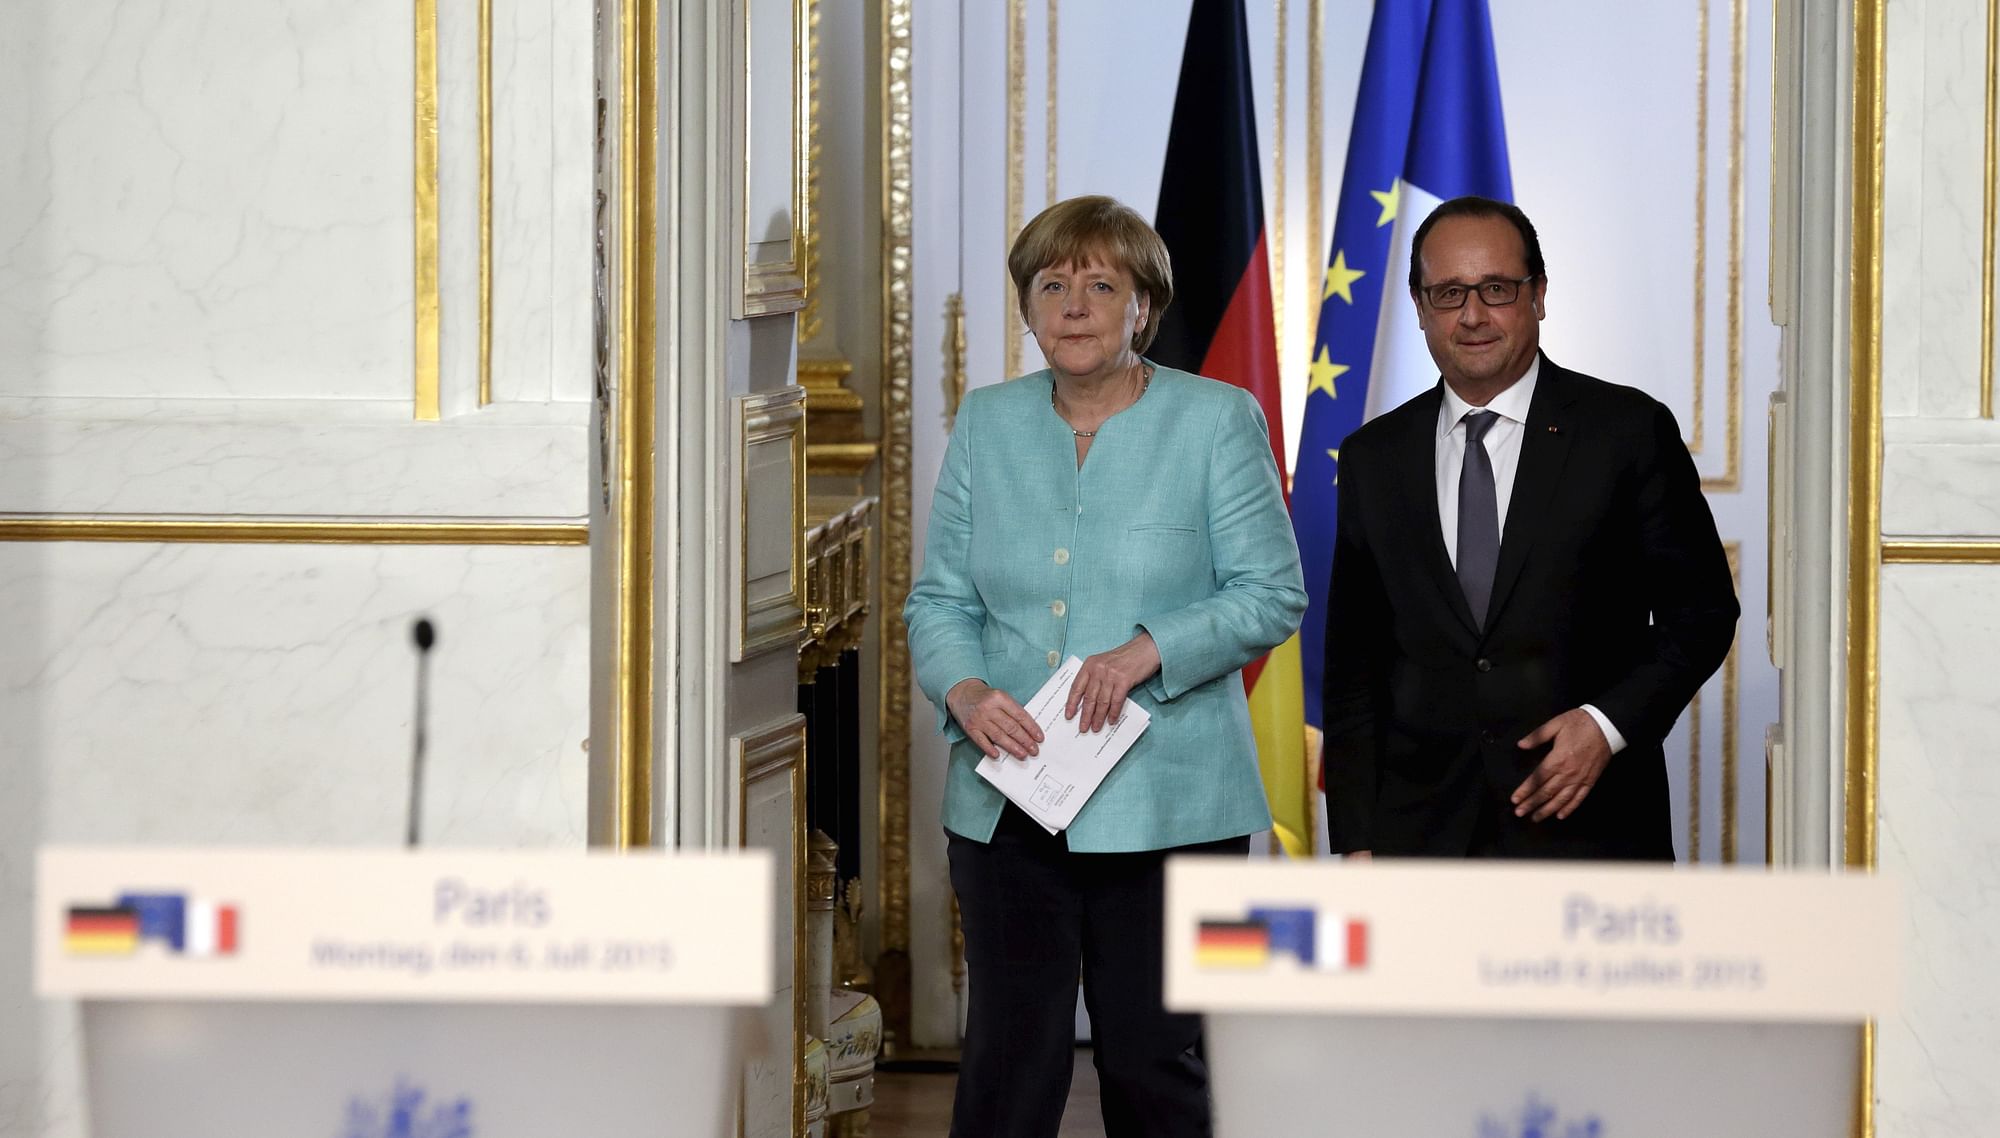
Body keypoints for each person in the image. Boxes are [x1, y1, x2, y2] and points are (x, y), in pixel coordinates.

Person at [905, 194, 1305, 1138]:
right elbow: (940, 600)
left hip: (1172, 804)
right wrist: (963, 690)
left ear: (1143, 308)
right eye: (1053, 286)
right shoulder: (989, 421)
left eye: (1100, 285)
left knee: (1153, 1060)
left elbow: (1271, 593)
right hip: (1008, 797)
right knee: (1009, 1060)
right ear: (1028, 306)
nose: (1074, 306)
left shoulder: (1216, 419)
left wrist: (1148, 650)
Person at [1322, 196, 1738, 861]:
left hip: (1588, 831)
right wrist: (1357, 840)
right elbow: (1354, 667)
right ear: (1420, 306)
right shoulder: (1375, 457)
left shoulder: (1626, 432)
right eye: (1450, 293)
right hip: (1421, 841)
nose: (1474, 315)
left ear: (1538, 294)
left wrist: (1606, 727)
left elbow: (1703, 614)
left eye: (1497, 289)